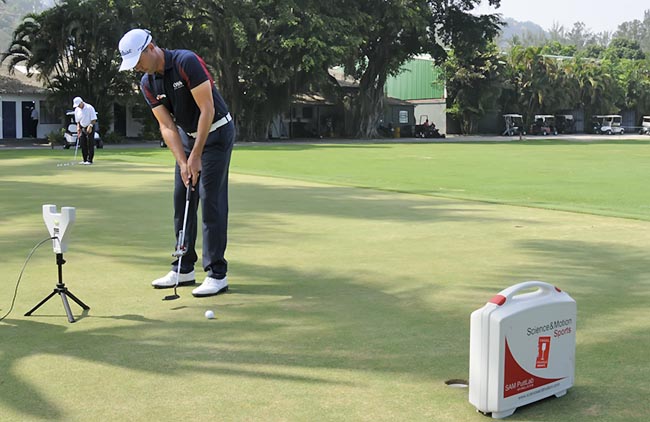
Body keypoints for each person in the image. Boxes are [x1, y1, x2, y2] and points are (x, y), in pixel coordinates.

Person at [118, 28, 235, 297]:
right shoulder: (147, 83)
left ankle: (217, 273)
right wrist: (184, 162)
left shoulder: (185, 62)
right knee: (181, 197)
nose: (136, 67)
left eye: (138, 60)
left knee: (211, 200)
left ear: (151, 48)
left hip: (216, 132)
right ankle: (183, 268)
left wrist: (196, 156)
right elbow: (167, 125)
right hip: (185, 137)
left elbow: (208, 109)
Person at [72, 97, 98, 164]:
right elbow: (77, 121)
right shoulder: (77, 110)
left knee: (90, 143)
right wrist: (78, 127)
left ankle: (90, 160)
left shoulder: (89, 108)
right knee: (83, 143)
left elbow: (94, 119)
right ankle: (85, 160)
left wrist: (90, 126)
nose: (78, 106)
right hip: (82, 127)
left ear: (81, 102)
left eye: (78, 105)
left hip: (90, 126)